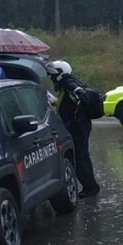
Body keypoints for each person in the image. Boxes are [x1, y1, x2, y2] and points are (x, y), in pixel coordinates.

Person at [49, 60, 100, 198]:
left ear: (61, 74)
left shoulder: (69, 84)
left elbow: (81, 98)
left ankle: (90, 188)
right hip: (79, 125)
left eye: (53, 75)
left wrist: (76, 117)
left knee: (79, 157)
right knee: (83, 156)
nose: (52, 78)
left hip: (78, 126)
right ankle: (91, 186)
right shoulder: (66, 85)